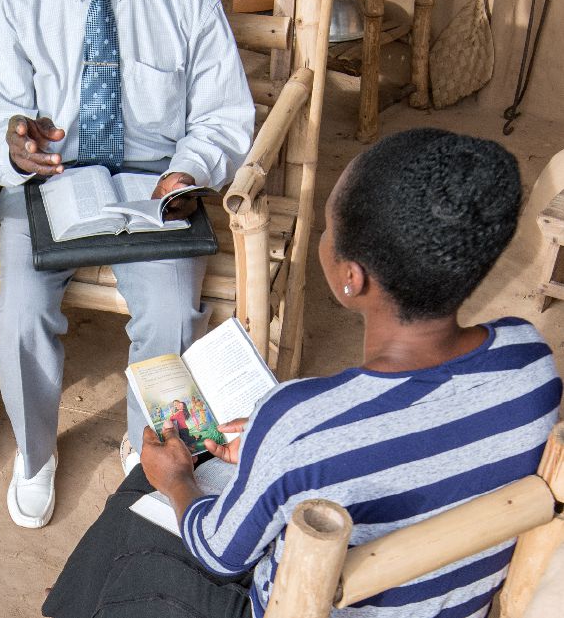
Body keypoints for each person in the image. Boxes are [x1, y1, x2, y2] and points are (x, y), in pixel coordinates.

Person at [43, 128, 563, 618]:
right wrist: (279, 453)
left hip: (301, 601)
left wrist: (177, 481)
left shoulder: (297, 419)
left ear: (350, 279)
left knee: (140, 499)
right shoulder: (529, 363)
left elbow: (220, 554)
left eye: (328, 229)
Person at [0, 0, 255, 529]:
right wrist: (13, 143)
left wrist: (190, 169)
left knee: (168, 308)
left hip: (153, 186)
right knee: (22, 308)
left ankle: (151, 447)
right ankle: (37, 453)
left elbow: (224, 115)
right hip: (46, 188)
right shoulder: (17, 0)